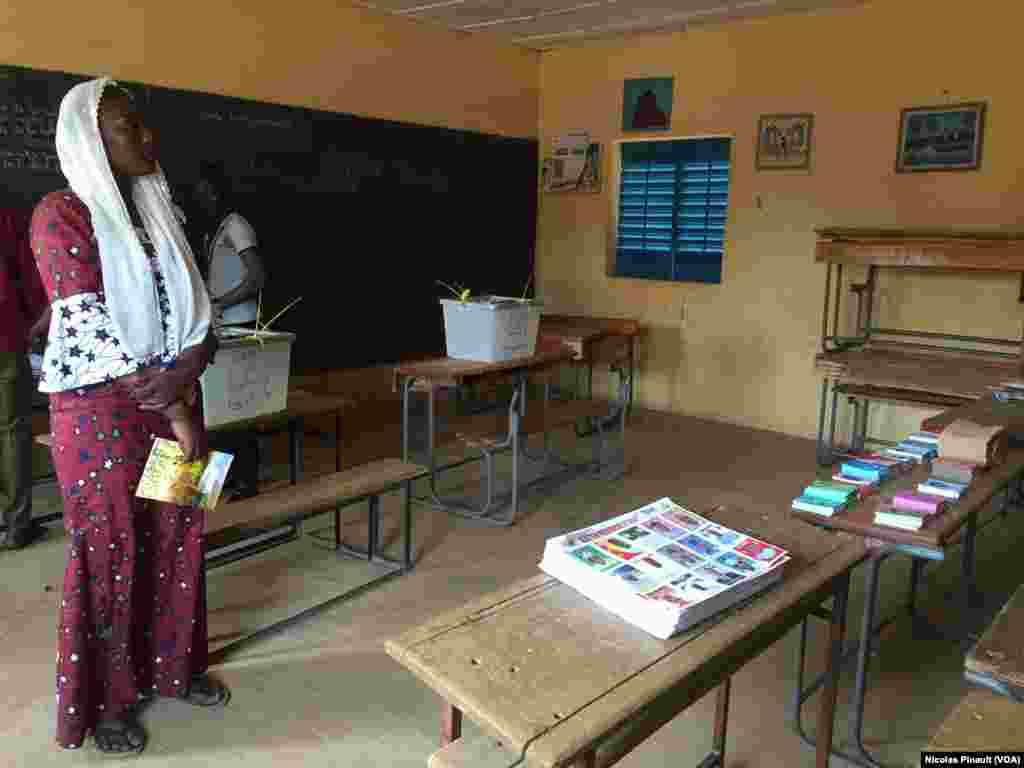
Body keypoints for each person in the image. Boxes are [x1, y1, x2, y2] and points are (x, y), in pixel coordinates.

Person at [31, 77, 229, 755]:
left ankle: (176, 666)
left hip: (175, 402)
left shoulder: (159, 212)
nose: (147, 138)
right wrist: (175, 403)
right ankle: (110, 701)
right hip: (101, 414)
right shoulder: (62, 213)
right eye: (127, 128)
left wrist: (191, 366)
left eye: (143, 125)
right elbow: (90, 329)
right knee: (113, 545)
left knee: (180, 533)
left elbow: (200, 310)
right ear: (91, 138)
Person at [0, 208, 49, 550]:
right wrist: (35, 324)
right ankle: (16, 525)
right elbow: (28, 275)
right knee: (11, 430)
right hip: (4, 335)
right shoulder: (5, 216)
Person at [191, 162, 265, 328]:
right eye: (199, 195)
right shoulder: (215, 231)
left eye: (205, 194)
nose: (201, 201)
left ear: (217, 194)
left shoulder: (235, 224)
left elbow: (257, 277)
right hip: (224, 321)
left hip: (242, 321)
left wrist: (219, 304)